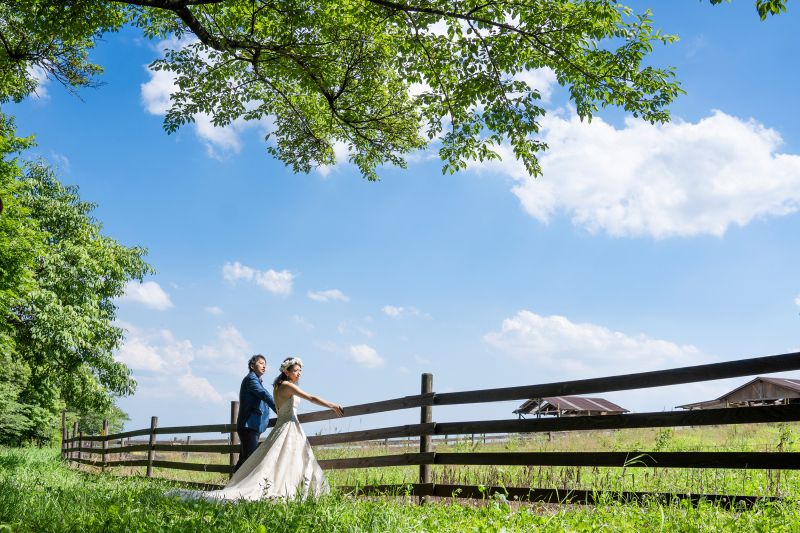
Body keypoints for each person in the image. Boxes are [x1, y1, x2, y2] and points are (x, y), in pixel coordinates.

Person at [166, 357, 343, 502]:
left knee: (272, 459)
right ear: (286, 371)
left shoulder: (277, 386)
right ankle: (273, 488)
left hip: (285, 425)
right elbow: (310, 398)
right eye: (296, 370)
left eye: (300, 371)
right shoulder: (282, 385)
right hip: (278, 425)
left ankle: (278, 486)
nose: (299, 374)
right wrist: (332, 405)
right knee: (266, 459)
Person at [235, 355, 278, 472]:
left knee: (244, 461)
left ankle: (233, 482)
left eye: (265, 364)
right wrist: (279, 409)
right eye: (261, 363)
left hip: (251, 426)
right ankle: (243, 483)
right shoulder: (251, 379)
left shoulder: (255, 380)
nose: (264, 366)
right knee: (250, 461)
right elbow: (264, 395)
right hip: (249, 425)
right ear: (252, 366)